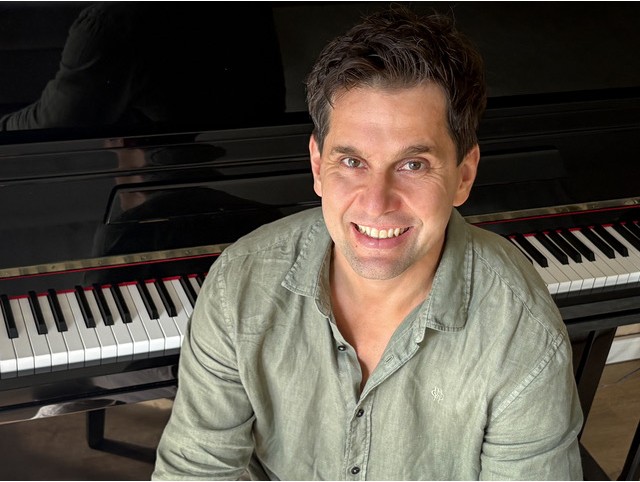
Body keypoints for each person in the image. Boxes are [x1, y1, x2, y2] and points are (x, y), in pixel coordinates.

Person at [152, 6, 583, 480]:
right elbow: (197, 470)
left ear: (464, 175)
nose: (376, 203)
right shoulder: (238, 283)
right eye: (352, 162)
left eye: (413, 165)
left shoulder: (523, 335)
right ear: (318, 166)